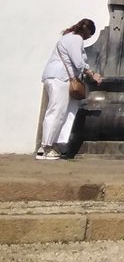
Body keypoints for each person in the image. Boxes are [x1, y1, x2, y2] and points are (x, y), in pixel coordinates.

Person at [37, 19, 103, 161]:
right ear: (87, 32)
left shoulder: (68, 37)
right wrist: (93, 74)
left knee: (61, 111)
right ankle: (46, 147)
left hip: (57, 77)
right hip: (60, 78)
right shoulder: (76, 39)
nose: (87, 39)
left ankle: (50, 145)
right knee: (57, 111)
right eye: (89, 36)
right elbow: (78, 62)